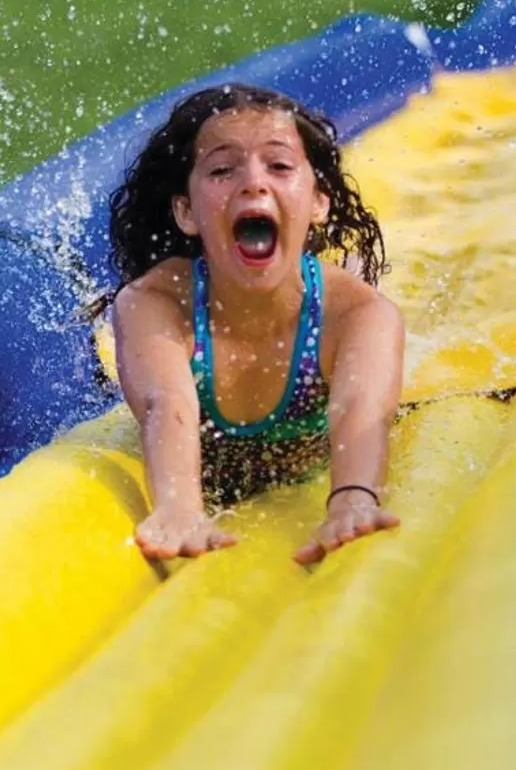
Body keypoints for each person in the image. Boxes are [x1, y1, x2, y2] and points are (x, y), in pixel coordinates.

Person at [105, 83, 405, 567]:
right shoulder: (156, 304)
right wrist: (179, 508)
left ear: (317, 203)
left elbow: (360, 408)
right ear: (186, 211)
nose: (253, 183)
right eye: (222, 170)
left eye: (280, 165)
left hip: (306, 473)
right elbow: (168, 402)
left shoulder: (355, 316)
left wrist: (352, 499)